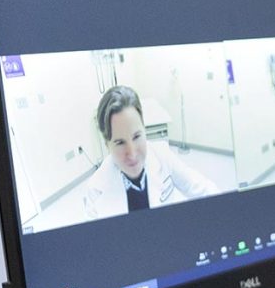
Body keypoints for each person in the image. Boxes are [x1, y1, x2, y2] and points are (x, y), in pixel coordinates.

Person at [81, 86, 216, 219]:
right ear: (107, 145)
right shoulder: (96, 191)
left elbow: (200, 187)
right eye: (120, 143)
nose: (132, 153)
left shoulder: (162, 155)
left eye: (137, 137)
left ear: (144, 130)